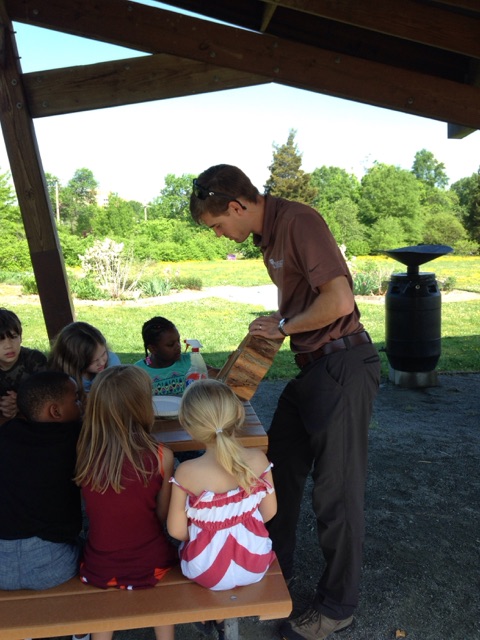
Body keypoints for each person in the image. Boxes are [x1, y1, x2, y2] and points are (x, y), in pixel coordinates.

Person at [189, 165, 381, 640]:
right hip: (313, 367)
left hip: (341, 365)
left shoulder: (298, 221)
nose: (219, 235)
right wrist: (280, 318)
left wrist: (283, 326)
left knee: (336, 493)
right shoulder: (270, 235)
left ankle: (337, 608)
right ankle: (273, 570)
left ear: (237, 206)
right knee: (277, 466)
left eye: (218, 225)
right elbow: (305, 300)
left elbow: (339, 301)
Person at [167, 378, 277, 638]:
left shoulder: (186, 472)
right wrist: (240, 523)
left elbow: (176, 530)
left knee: (180, 549)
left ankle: (211, 617)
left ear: (188, 426)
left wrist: (207, 532)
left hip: (205, 570)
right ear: (238, 416)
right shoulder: (258, 458)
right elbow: (270, 512)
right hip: (255, 563)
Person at [75, 365, 176, 640]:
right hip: (151, 561)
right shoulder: (161, 456)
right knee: (160, 604)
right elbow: (162, 517)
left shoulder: (84, 452)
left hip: (99, 564)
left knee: (104, 606)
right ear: (143, 406)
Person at [0, 371, 83, 590]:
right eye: (76, 400)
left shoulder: (6, 434)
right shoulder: (76, 438)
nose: (80, 405)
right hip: (53, 565)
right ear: (55, 411)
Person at [135, 315, 218, 396]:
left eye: (178, 341)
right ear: (153, 349)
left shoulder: (191, 360)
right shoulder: (139, 372)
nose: (178, 346)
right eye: (171, 344)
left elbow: (215, 374)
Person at [48, 321, 121, 404]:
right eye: (94, 361)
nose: (101, 362)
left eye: (104, 353)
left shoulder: (112, 362)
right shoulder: (66, 378)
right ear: (75, 361)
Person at [0, 307, 47, 419]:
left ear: (21, 337)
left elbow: (48, 395)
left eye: (14, 337)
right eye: (0, 340)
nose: (8, 345)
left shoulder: (35, 360)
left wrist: (21, 403)